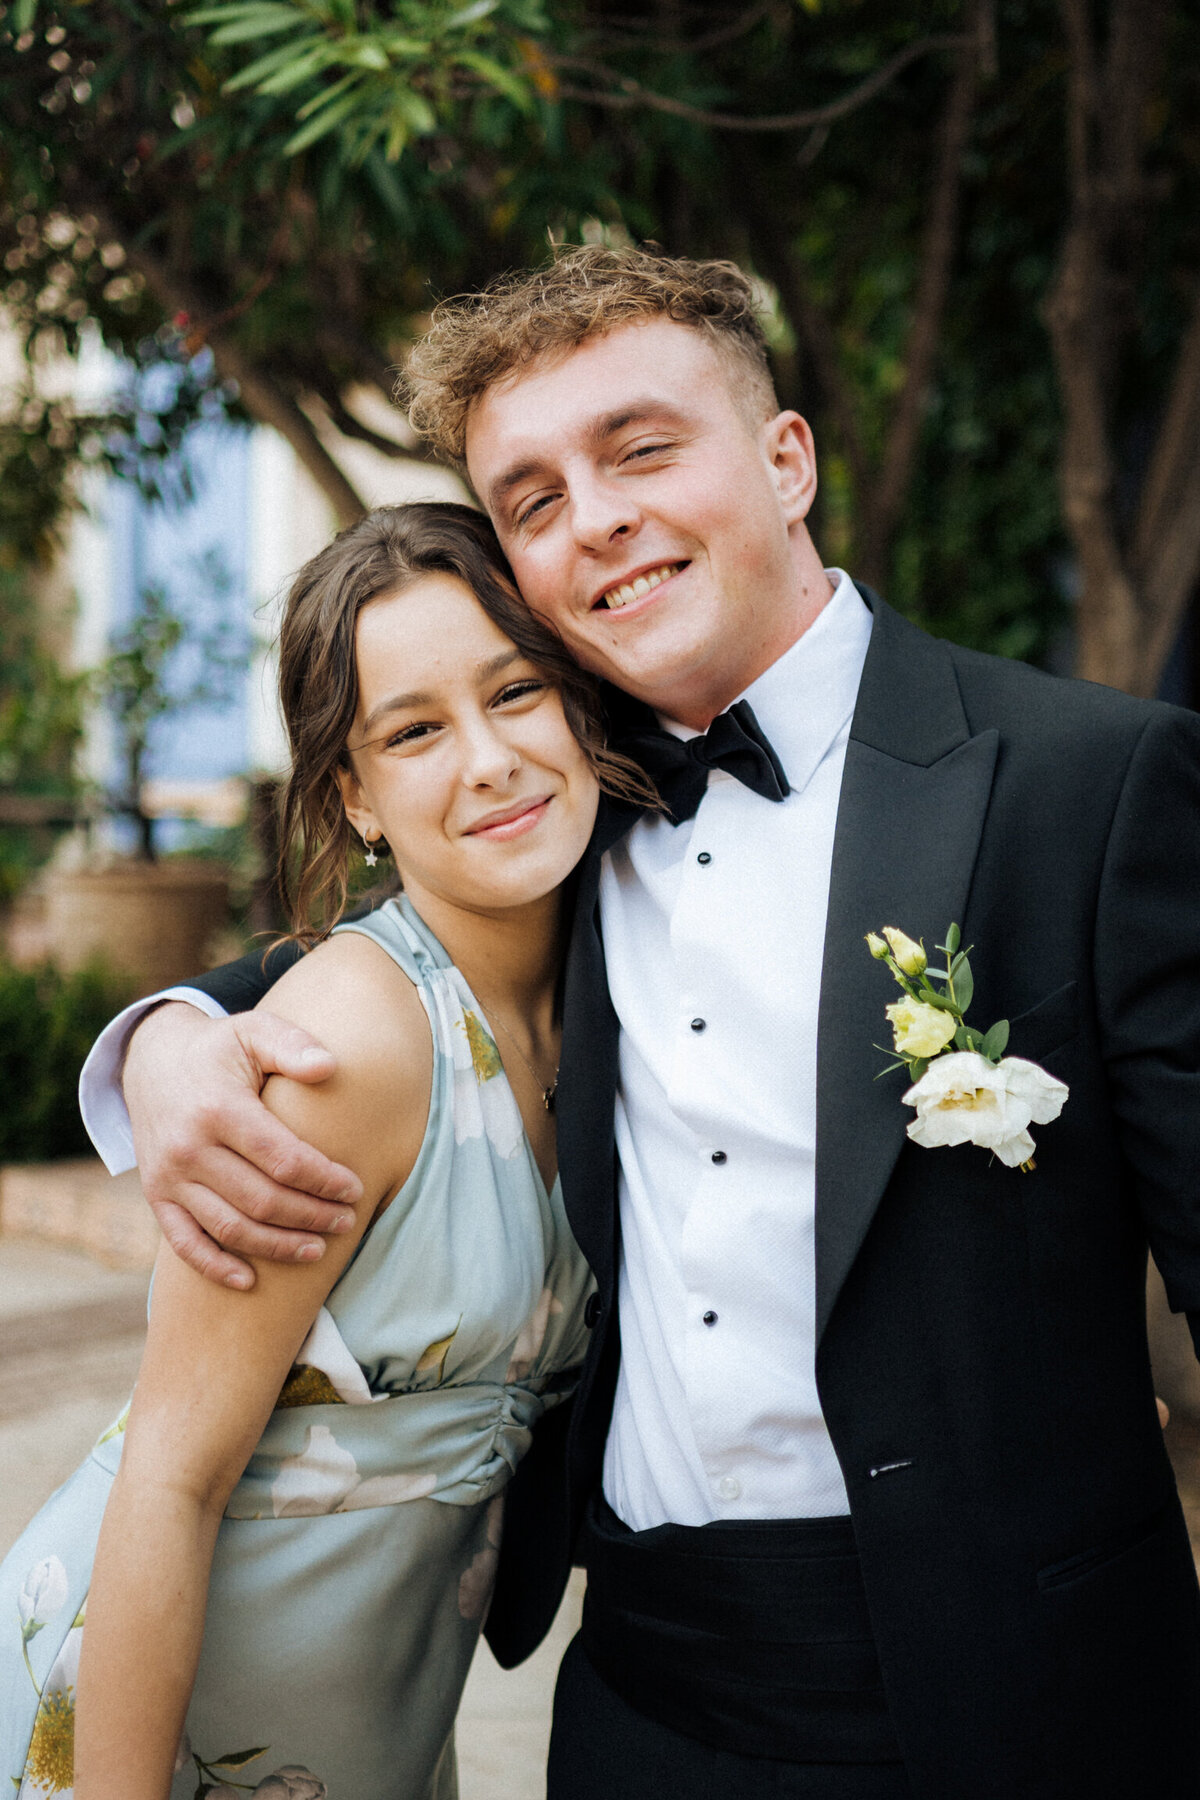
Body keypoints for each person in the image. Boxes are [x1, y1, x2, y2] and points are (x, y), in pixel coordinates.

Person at [81, 250, 1200, 1799]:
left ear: (787, 459)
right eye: (531, 499)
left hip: (1025, 1681)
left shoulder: (1091, 782)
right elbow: (371, 953)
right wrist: (166, 1033)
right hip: (644, 1699)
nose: (591, 516)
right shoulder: (551, 797)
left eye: (641, 448)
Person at [0, 500, 659, 1799]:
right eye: (415, 729)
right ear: (353, 794)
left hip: (367, 1739)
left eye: (515, 690)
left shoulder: (612, 990)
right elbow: (169, 1480)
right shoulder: (345, 1051)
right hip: (151, 1736)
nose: (489, 759)